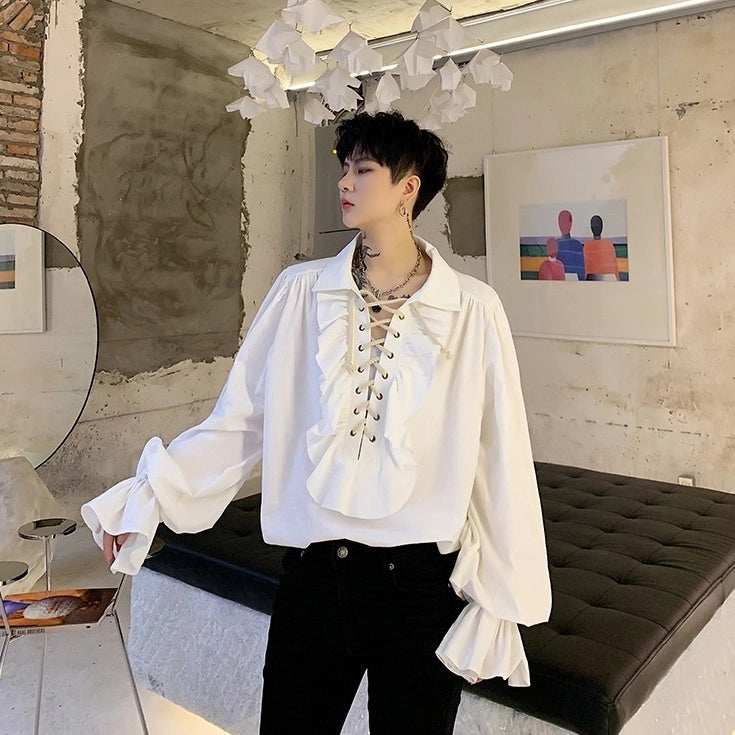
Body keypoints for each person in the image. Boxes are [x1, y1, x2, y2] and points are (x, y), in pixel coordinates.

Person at [81, 111, 551, 735]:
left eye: (364, 169)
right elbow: (242, 420)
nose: (344, 182)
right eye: (343, 168)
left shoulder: (471, 308)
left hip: (421, 590)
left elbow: (500, 454)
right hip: (315, 580)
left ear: (408, 187)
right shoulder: (301, 292)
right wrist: (147, 498)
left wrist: (503, 592)